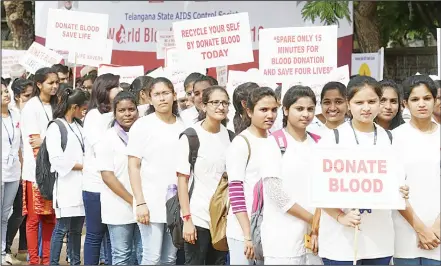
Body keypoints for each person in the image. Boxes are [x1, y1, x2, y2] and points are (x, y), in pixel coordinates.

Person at [317, 76, 409, 265]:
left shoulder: (390, 138)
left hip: (379, 240)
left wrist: (402, 191)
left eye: (372, 101)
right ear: (348, 104)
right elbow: (318, 187)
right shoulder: (332, 139)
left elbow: (398, 179)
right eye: (359, 102)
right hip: (339, 241)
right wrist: (339, 216)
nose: (366, 108)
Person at [262, 86, 322, 265]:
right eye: (299, 108)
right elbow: (275, 192)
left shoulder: (319, 143)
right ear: (286, 110)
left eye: (310, 109)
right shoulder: (273, 143)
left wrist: (317, 224)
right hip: (282, 239)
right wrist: (312, 219)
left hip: (315, 238)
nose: (306, 114)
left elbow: (324, 186)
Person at [127, 77, 185, 265]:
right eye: (157, 94)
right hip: (150, 200)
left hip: (175, 201)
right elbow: (133, 165)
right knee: (151, 257)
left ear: (174, 96)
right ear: (149, 98)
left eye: (166, 93)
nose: (162, 99)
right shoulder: (142, 125)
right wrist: (140, 202)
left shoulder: (184, 126)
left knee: (169, 258)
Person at [177, 86, 231, 265]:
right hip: (198, 216)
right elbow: (182, 181)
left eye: (224, 103)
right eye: (215, 102)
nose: (220, 107)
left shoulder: (231, 137)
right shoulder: (191, 136)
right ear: (204, 106)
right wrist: (187, 219)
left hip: (222, 219)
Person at [226, 87, 279, 265]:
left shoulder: (275, 140)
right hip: (242, 231)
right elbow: (235, 191)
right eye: (263, 110)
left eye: (274, 110)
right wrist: (247, 234)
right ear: (249, 111)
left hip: (268, 228)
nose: (270, 115)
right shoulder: (241, 143)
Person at [392, 75, 440, 265]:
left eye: (427, 98)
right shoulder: (393, 139)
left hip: (438, 232)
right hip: (404, 231)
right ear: (405, 103)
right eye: (415, 99)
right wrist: (420, 228)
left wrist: (436, 227)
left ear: (435, 100)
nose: (422, 104)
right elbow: (393, 188)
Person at [96, 91, 142, 265]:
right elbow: (107, 175)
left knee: (143, 254)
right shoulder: (107, 138)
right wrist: (133, 201)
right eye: (122, 110)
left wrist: (140, 202)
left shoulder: (143, 135)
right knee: (122, 255)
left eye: (131, 109)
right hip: (118, 205)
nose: (127, 114)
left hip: (144, 205)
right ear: (114, 113)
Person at [20, 67, 59, 265]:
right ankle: (34, 260)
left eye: (56, 83)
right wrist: (48, 141)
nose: (54, 86)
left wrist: (46, 140)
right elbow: (34, 143)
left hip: (55, 171)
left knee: (50, 219)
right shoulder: (31, 107)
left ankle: (47, 259)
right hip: (36, 172)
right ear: (39, 84)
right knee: (34, 220)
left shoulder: (56, 105)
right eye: (50, 82)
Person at [82, 73, 123, 265]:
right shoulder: (93, 116)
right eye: (117, 86)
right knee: (95, 234)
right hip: (96, 185)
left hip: (116, 184)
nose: (121, 89)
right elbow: (101, 148)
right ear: (105, 90)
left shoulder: (118, 113)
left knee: (111, 236)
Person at [47, 88, 88, 265]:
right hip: (66, 186)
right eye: (82, 107)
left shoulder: (79, 125)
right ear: (74, 107)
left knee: (77, 229)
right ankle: (54, 262)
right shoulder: (56, 126)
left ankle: (75, 262)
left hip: (81, 185)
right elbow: (57, 160)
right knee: (62, 228)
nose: (84, 111)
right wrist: (84, 166)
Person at [1, 79, 22, 265]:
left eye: (6, 91)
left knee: (5, 214)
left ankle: (2, 252)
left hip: (14, 172)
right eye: (1, 93)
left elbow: (21, 145)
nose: (6, 95)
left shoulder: (16, 115)